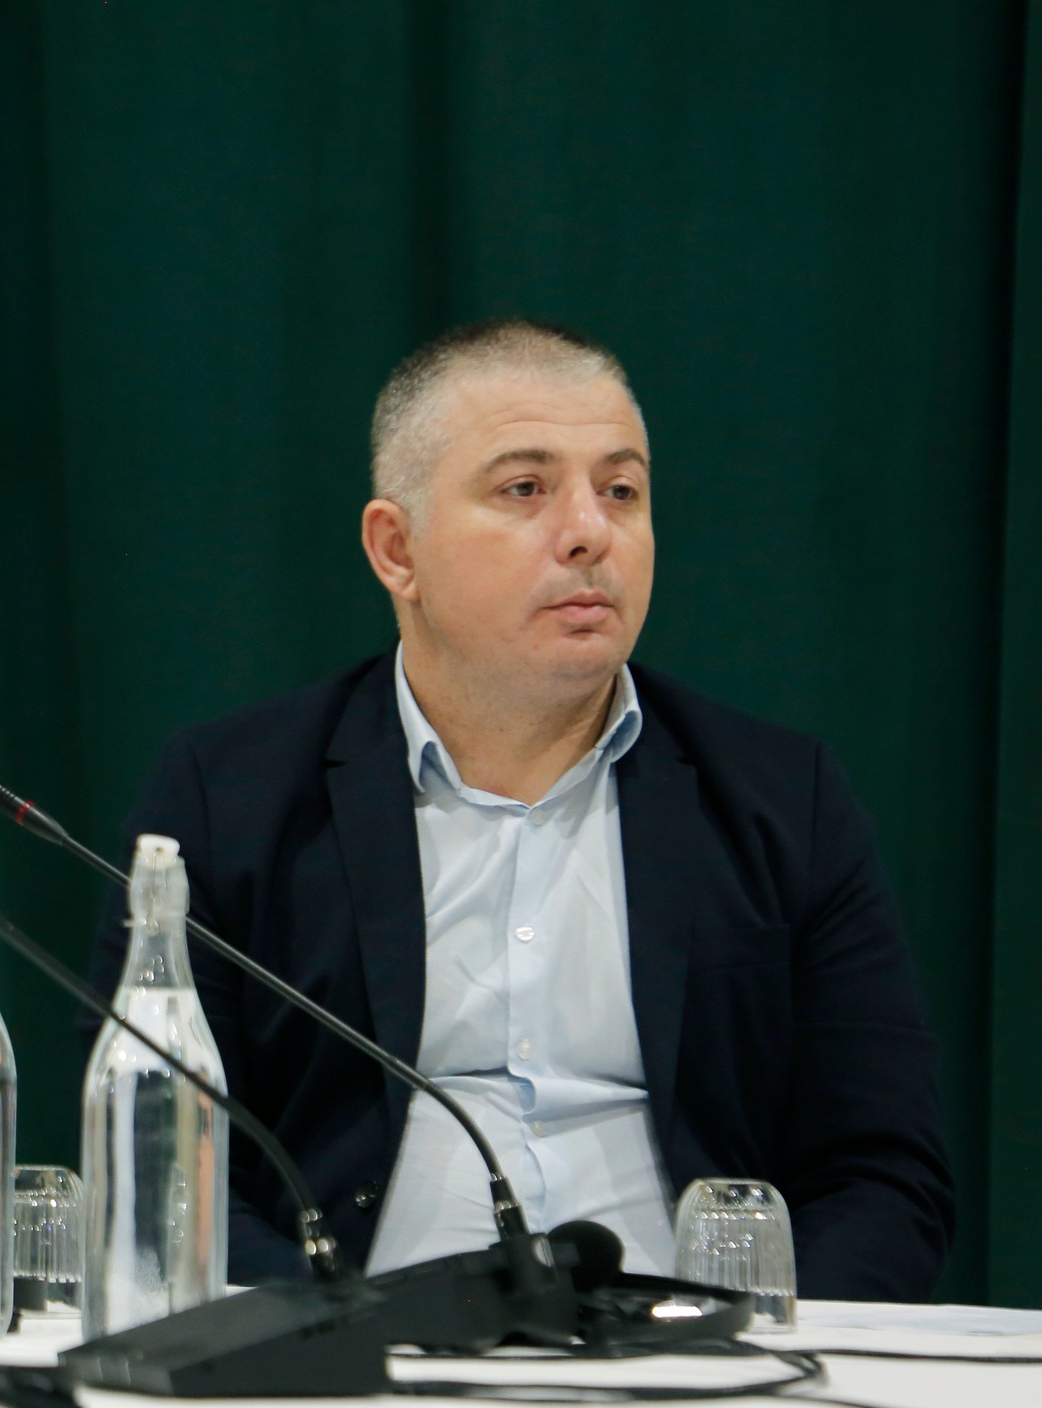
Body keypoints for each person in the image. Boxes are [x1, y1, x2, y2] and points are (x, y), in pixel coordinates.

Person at [88, 320, 955, 1301]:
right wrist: (324, 1337)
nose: (589, 532)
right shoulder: (227, 798)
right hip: (357, 1352)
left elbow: (884, 1175)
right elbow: (155, 1161)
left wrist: (752, 1344)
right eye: (525, 489)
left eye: (620, 491)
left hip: (698, 1357)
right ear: (396, 549)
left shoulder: (781, 800)